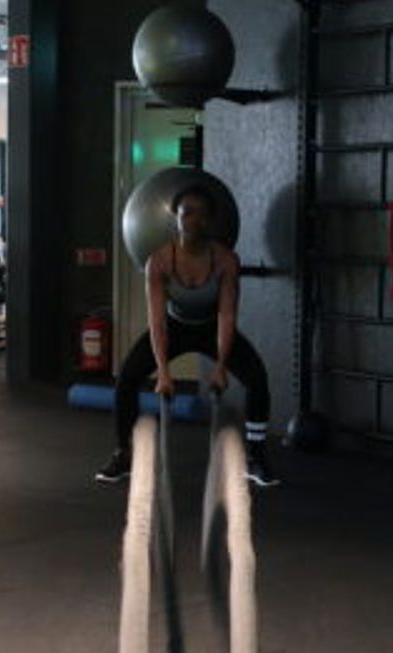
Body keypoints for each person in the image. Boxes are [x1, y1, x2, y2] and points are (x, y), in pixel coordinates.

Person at [96, 185, 278, 487]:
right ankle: (123, 453)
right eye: (187, 213)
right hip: (173, 325)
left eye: (201, 214)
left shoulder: (225, 261)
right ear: (176, 219)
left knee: (257, 379)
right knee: (127, 377)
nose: (194, 220)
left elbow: (227, 314)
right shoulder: (159, 261)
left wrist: (220, 366)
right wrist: (164, 372)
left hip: (211, 326)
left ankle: (256, 457)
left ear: (210, 221)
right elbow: (156, 319)